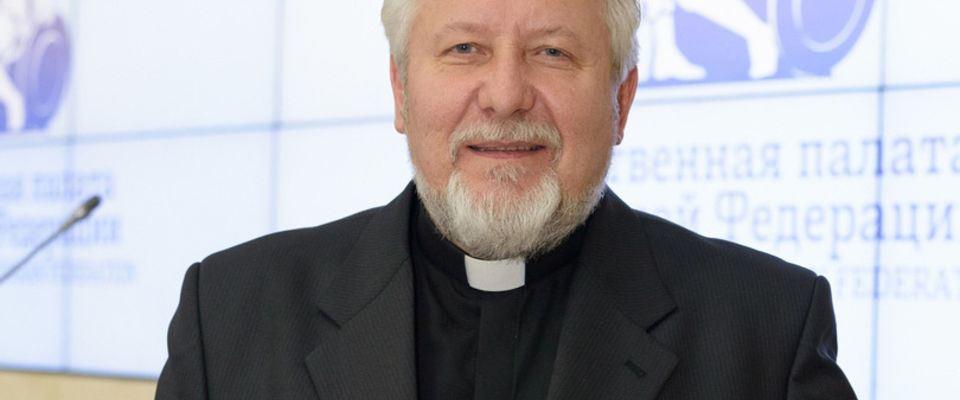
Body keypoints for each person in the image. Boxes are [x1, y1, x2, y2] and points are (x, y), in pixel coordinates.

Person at [156, 0, 857, 399]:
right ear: (401, 92)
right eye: (464, 49)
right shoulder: (229, 314)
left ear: (622, 100)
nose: (505, 96)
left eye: (552, 53)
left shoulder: (766, 331)